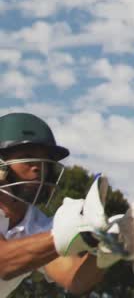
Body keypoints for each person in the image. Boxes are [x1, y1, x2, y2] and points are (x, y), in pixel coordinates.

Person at [0, 111, 122, 297]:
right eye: (28, 156)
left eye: (45, 161)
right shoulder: (49, 234)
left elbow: (74, 280)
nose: (38, 167)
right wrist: (64, 234)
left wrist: (107, 247)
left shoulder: (37, 225)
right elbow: (3, 263)